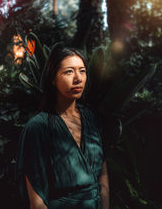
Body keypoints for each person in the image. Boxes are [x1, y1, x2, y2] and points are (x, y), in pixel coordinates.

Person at [16, 45, 109, 209]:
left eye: (82, 71)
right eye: (69, 72)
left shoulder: (90, 118)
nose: (78, 78)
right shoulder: (38, 127)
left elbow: (103, 173)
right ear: (53, 78)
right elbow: (37, 202)